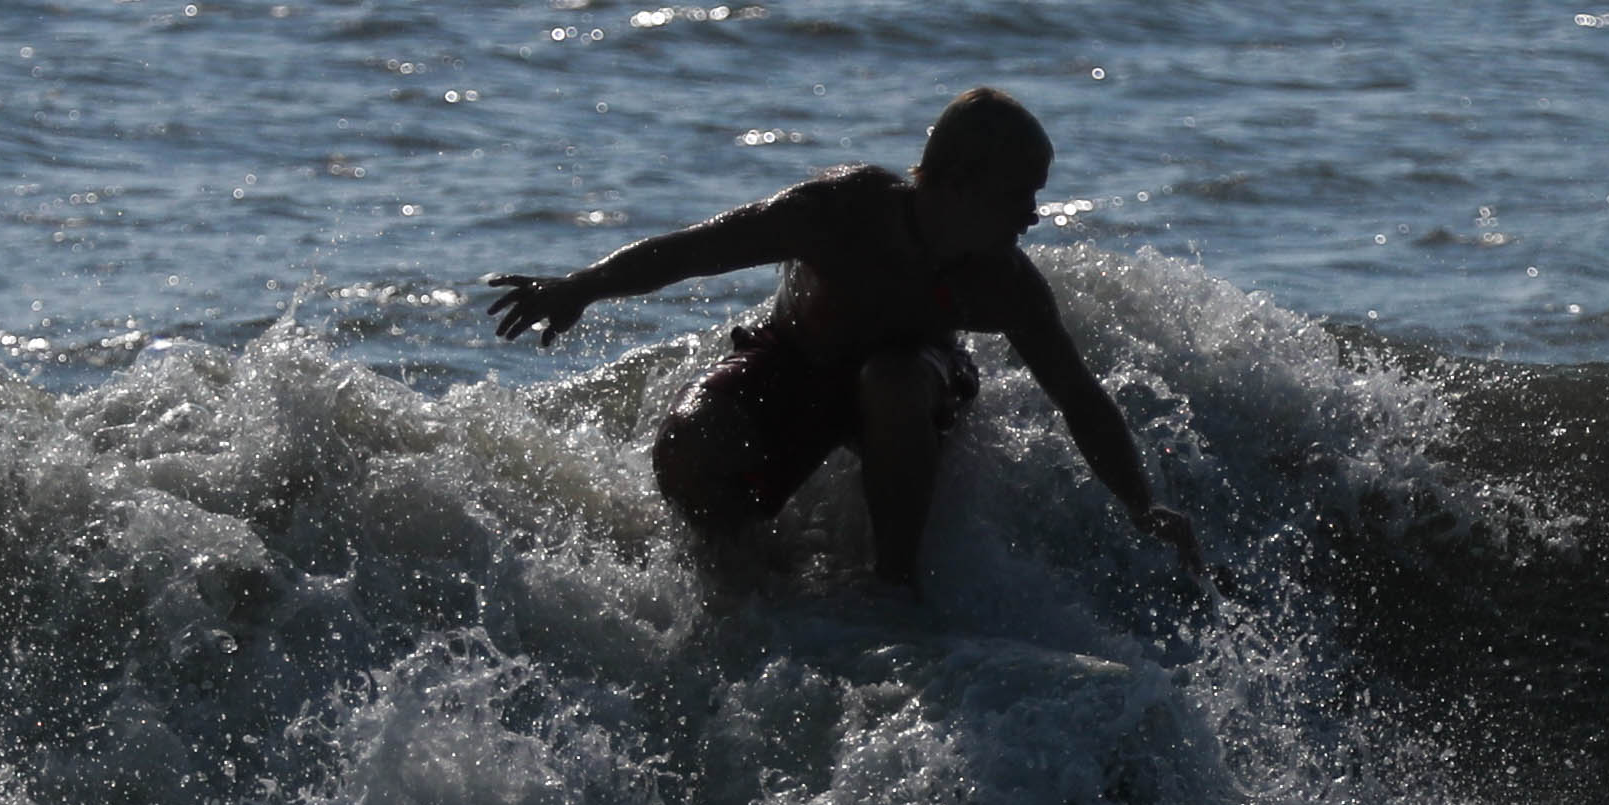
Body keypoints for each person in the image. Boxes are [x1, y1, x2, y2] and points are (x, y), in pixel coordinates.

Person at [486, 88, 1209, 595]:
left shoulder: (1002, 286)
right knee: (689, 442)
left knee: (892, 381)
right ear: (958, 184)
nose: (1033, 217)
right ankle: (747, 576)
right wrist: (576, 287)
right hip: (798, 362)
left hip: (911, 387)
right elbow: (692, 251)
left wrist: (1141, 505)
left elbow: (1078, 396)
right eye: (1021, 195)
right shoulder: (838, 211)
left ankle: (894, 585)